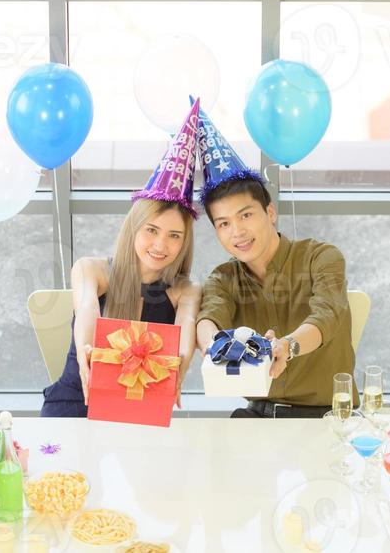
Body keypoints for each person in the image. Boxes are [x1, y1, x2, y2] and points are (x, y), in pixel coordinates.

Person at [193, 104, 358, 418]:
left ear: (270, 212)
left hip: (328, 417)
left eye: (245, 215)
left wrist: (287, 346)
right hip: (257, 415)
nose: (237, 232)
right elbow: (209, 317)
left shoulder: (322, 257)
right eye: (223, 223)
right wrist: (214, 345)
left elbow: (327, 315)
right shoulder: (223, 278)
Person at [41, 99, 202, 417]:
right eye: (151, 230)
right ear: (133, 228)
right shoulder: (92, 269)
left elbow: (186, 328)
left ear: (184, 243)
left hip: (140, 409)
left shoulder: (186, 289)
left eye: (174, 236)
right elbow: (87, 306)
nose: (160, 245)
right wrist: (88, 357)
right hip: (75, 400)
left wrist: (179, 367)